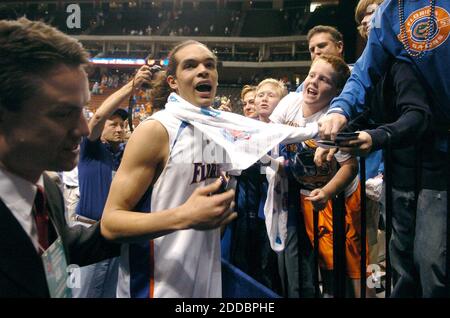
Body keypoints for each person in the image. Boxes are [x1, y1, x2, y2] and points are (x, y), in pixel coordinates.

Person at [317, 0, 450, 297]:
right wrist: (338, 115)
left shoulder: (403, 63)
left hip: (437, 164)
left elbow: (416, 114)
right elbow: (363, 76)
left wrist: (375, 137)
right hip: (405, 168)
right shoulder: (392, 15)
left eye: (372, 14)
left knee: (431, 262)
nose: (369, 20)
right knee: (402, 263)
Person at [101, 40, 237, 298]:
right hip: (156, 286)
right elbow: (110, 223)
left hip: (203, 282)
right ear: (173, 81)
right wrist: (185, 216)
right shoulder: (157, 129)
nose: (203, 70)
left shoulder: (219, 133)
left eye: (210, 65)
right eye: (191, 65)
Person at [0, 18, 119, 297]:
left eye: (83, 110)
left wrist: (169, 220)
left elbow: (59, 248)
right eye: (63, 113)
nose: (84, 129)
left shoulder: (47, 189)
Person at [271, 54, 369, 297]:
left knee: (349, 267)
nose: (312, 82)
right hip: (308, 192)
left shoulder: (333, 120)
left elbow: (350, 167)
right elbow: (269, 137)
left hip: (339, 197)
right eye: (311, 75)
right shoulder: (289, 103)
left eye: (323, 80)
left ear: (336, 91)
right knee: (324, 262)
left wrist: (327, 192)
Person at [73, 66, 152, 298]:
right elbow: (97, 116)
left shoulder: (125, 155)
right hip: (89, 232)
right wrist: (132, 85)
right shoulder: (91, 150)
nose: (119, 129)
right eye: (113, 124)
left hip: (118, 235)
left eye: (121, 125)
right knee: (82, 294)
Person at [295, 25, 344, 93]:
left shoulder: (357, 75)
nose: (316, 52)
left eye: (322, 46)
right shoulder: (304, 87)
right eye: (312, 50)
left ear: (339, 47)